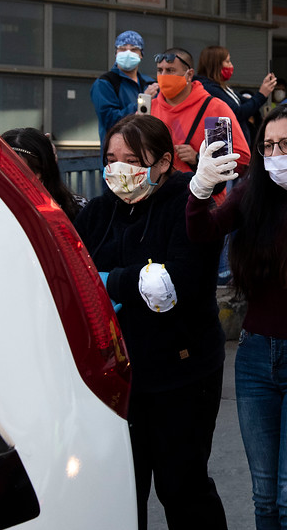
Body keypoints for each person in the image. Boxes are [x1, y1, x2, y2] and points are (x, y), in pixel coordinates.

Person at [186, 102, 287, 530]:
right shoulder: (252, 193)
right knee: (266, 499)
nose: (277, 154)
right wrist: (199, 190)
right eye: (269, 145)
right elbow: (202, 233)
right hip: (255, 357)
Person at [74, 115, 227, 530]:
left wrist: (110, 282)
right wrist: (132, 281)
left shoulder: (187, 204)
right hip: (116, 376)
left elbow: (183, 283)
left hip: (182, 369)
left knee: (183, 486)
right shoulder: (99, 212)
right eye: (110, 158)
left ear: (163, 162)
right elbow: (75, 275)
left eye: (131, 159)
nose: (118, 169)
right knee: (123, 488)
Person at [149, 47, 250, 176]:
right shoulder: (150, 108)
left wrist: (198, 158)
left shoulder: (213, 109)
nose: (163, 76)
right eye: (159, 70)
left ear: (189, 75)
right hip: (156, 192)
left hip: (200, 194)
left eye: (170, 70)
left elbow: (240, 159)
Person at [196, 45, 277, 146]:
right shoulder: (209, 88)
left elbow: (246, 103)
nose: (231, 65)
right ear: (215, 64)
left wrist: (263, 91)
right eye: (227, 61)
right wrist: (261, 95)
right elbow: (237, 113)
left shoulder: (222, 87)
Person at [3, 127, 87, 223]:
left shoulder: (79, 209)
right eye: (4, 169)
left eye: (19, 171)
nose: (9, 177)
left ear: (42, 172)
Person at [92, 31, 156, 145]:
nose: (127, 53)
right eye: (122, 49)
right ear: (116, 53)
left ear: (141, 54)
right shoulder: (105, 83)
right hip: (118, 151)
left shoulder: (149, 83)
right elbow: (110, 120)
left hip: (147, 148)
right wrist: (143, 102)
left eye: (133, 49)